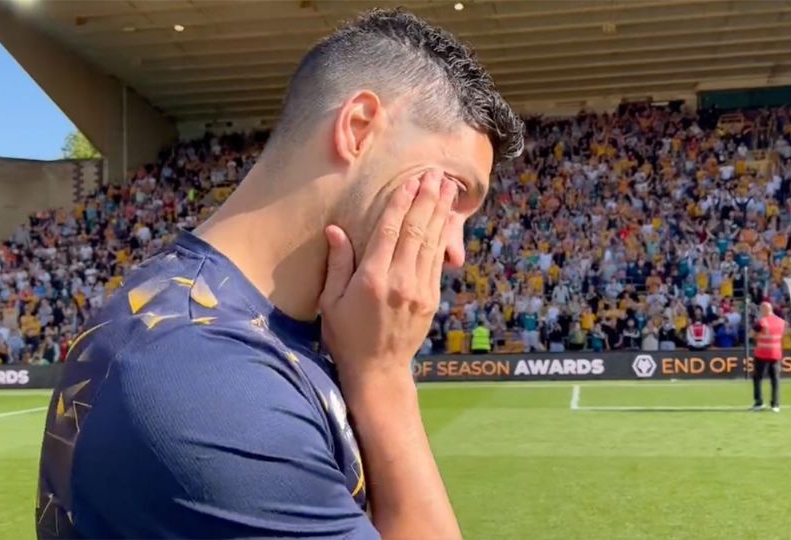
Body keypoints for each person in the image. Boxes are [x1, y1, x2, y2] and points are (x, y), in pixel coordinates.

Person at [36, 9, 523, 540]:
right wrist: (384, 377)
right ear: (358, 128)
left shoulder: (240, 324)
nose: (456, 250)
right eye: (455, 191)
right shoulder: (207, 384)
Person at [751, 302, 787, 412]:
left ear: (765, 310)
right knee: (775, 379)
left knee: (758, 378)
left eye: (761, 310)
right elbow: (785, 332)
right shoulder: (781, 322)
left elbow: (751, 334)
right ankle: (775, 404)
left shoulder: (762, 322)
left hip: (762, 353)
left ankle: (759, 402)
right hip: (776, 353)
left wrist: (758, 337)